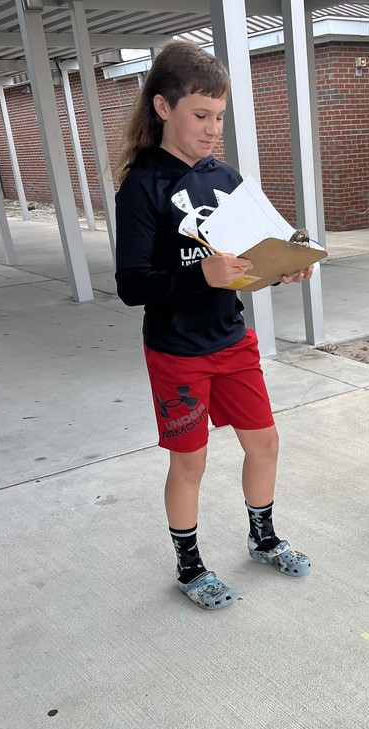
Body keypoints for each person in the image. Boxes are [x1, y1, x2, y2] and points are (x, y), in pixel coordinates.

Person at [115, 41, 313, 609]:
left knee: (265, 443)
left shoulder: (225, 177)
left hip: (232, 340)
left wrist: (282, 270)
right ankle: (190, 565)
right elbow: (132, 285)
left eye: (218, 116)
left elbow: (249, 259)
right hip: (177, 350)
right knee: (191, 460)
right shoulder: (141, 187)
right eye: (200, 115)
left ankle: (263, 537)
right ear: (162, 108)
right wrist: (204, 274)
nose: (211, 129)